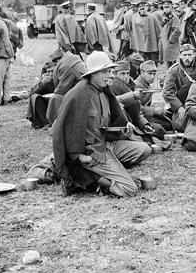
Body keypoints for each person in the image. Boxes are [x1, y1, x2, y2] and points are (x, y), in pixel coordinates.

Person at [52, 51, 151, 197]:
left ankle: (106, 170)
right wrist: (79, 156)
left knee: (144, 149)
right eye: (105, 72)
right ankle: (95, 179)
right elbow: (61, 131)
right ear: (93, 73)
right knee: (130, 189)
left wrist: (123, 129)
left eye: (111, 71)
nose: (111, 75)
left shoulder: (103, 92)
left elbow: (105, 125)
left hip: (105, 144)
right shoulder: (77, 95)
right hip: (92, 153)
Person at [162, 43, 196, 132]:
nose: (187, 58)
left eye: (189, 55)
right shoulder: (174, 70)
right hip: (183, 102)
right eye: (184, 55)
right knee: (179, 125)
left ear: (194, 54)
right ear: (180, 55)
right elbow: (167, 92)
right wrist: (179, 107)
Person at [45, 50, 87, 126]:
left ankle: (57, 124)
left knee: (55, 99)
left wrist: (55, 92)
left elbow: (63, 88)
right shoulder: (73, 59)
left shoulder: (67, 66)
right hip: (81, 89)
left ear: (58, 60)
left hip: (80, 94)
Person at [26, 49, 65, 129]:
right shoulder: (44, 79)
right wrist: (42, 84)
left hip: (57, 102)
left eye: (52, 71)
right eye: (48, 72)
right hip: (45, 104)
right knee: (35, 97)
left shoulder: (62, 76)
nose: (50, 74)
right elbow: (31, 92)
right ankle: (45, 122)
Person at [134, 60, 172, 131]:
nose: (152, 77)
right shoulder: (138, 86)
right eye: (150, 73)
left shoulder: (145, 84)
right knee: (161, 128)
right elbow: (136, 109)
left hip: (146, 116)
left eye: (154, 74)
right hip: (139, 119)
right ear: (142, 72)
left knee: (168, 122)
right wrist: (154, 110)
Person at [160, 0, 181, 67]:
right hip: (166, 43)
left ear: (171, 7)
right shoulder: (164, 17)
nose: (166, 9)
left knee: (174, 62)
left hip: (172, 44)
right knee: (168, 61)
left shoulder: (174, 18)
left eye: (167, 7)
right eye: (164, 7)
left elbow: (177, 30)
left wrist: (170, 40)